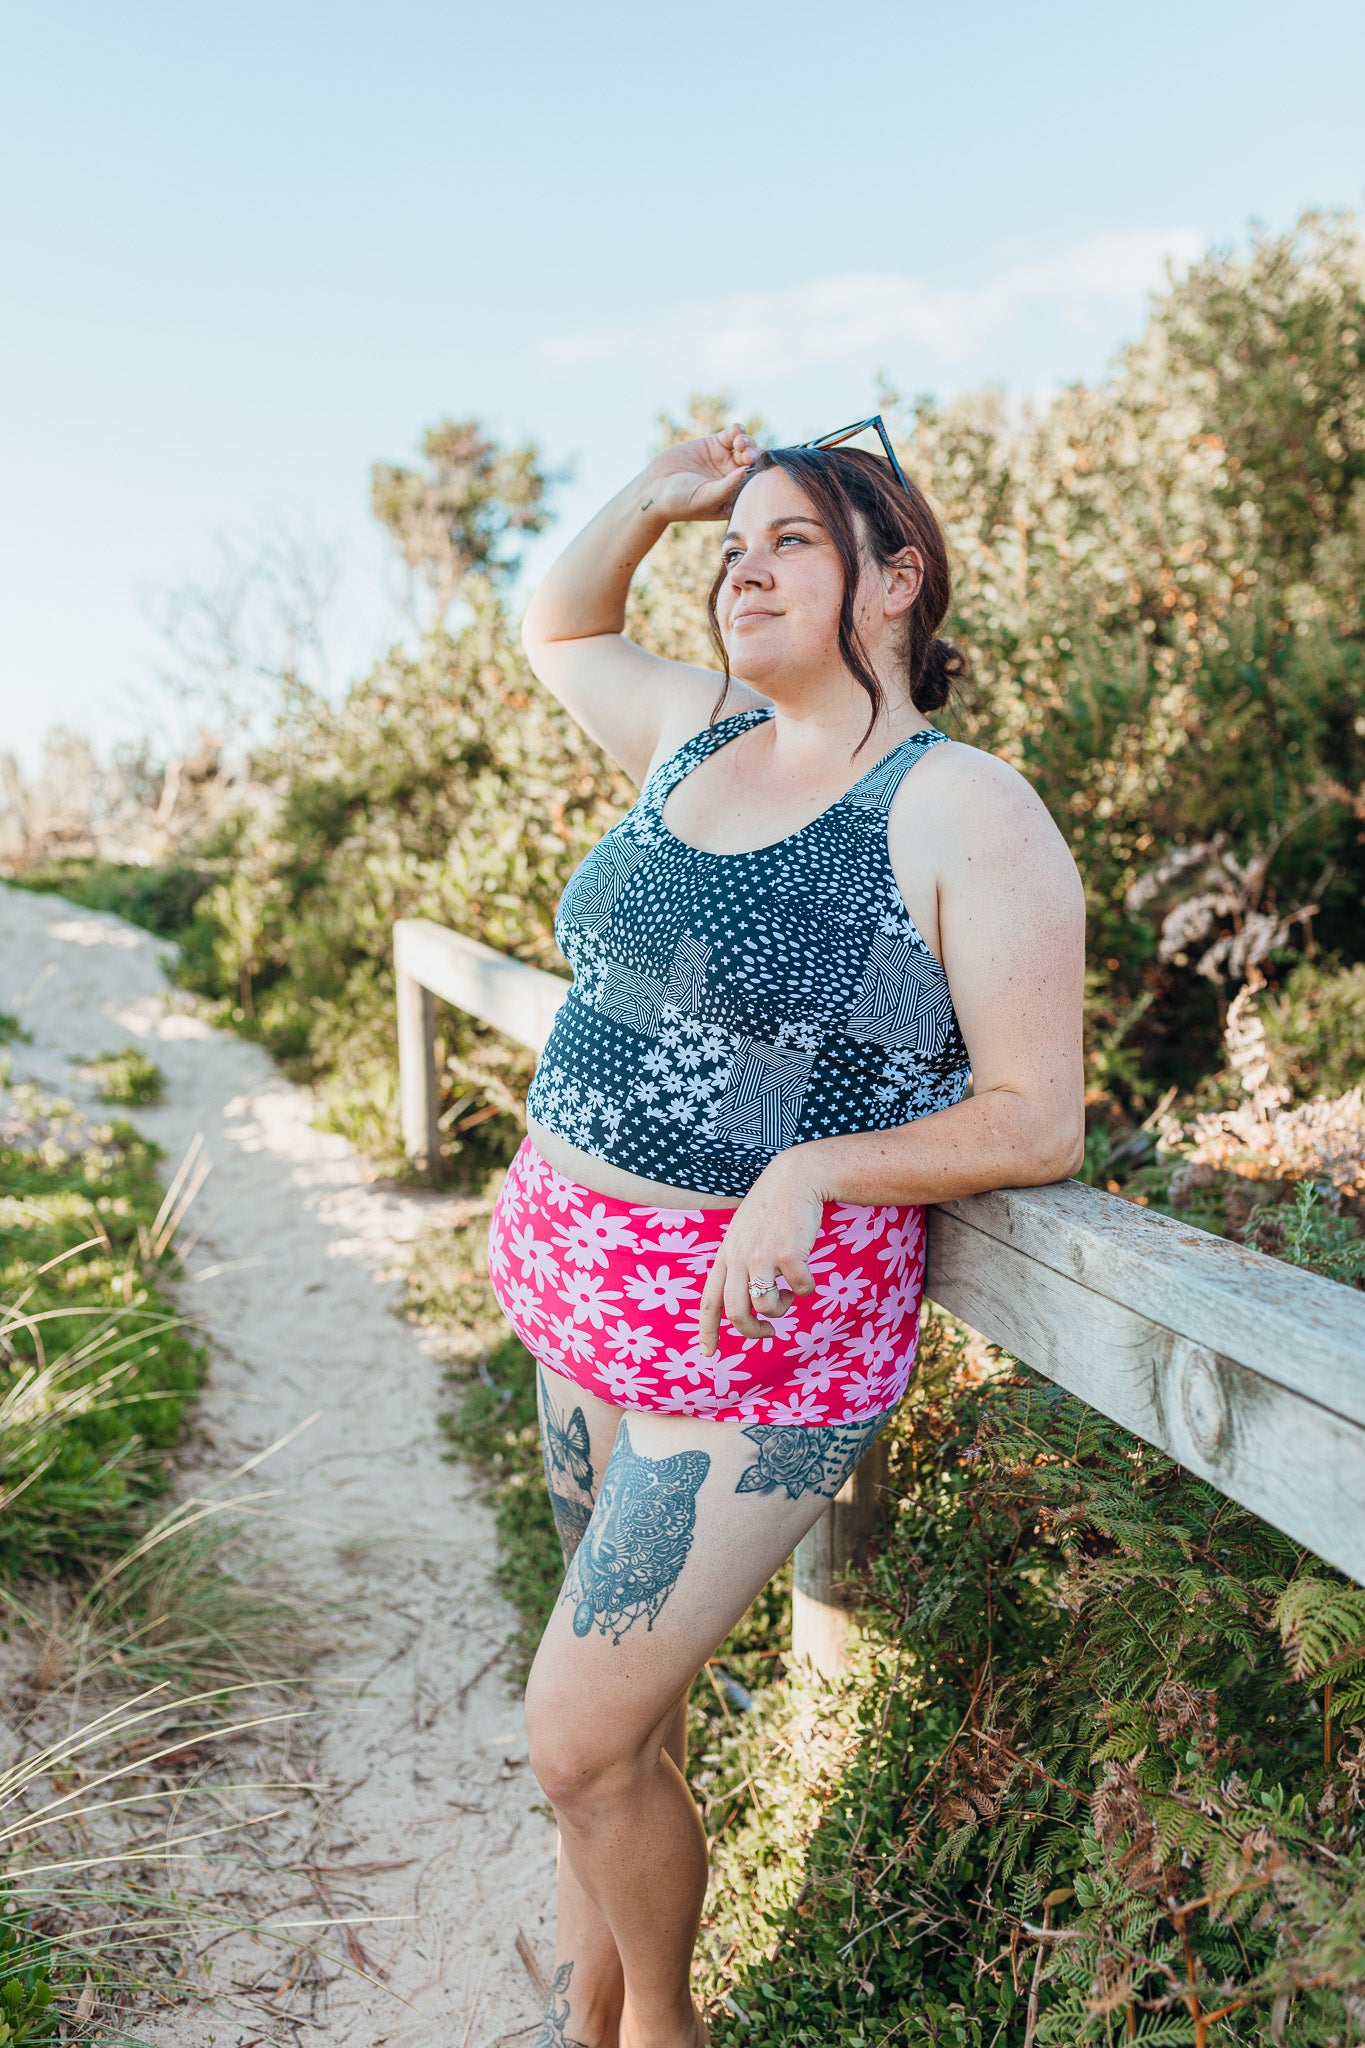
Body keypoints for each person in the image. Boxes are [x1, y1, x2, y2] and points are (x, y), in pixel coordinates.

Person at [488, 420, 1086, 2048]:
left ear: (894, 581)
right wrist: (653, 497)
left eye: (793, 541)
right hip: (574, 1287)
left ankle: (662, 2031)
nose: (742, 565)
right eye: (730, 545)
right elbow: (559, 629)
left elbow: (1039, 1115)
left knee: (576, 1733)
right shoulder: (697, 736)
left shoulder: (960, 806)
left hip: (750, 1342)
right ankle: (588, 2028)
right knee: (618, 1741)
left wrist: (812, 1170)